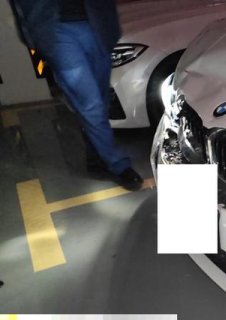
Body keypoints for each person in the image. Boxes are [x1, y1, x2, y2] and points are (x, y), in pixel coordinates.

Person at [9, 0, 143, 190]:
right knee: (91, 105)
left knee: (101, 104)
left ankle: (94, 161)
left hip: (97, 25)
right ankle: (118, 164)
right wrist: (32, 37)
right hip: (56, 31)